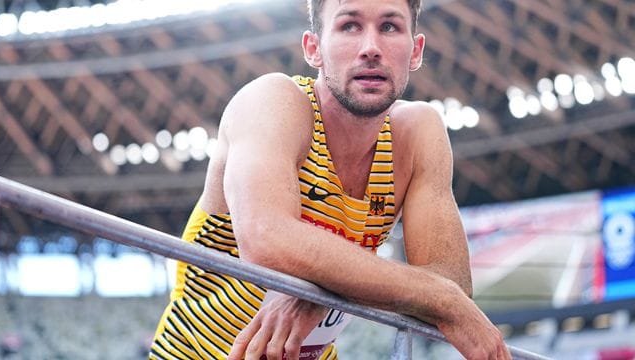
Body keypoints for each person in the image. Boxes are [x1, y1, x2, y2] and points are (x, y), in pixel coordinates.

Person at [150, 0, 511, 359]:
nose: (371, 48)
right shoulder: (272, 101)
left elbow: (453, 284)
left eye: (389, 27)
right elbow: (266, 241)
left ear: (415, 52)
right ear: (313, 49)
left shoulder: (417, 133)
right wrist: (440, 297)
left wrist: (317, 295)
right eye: (349, 26)